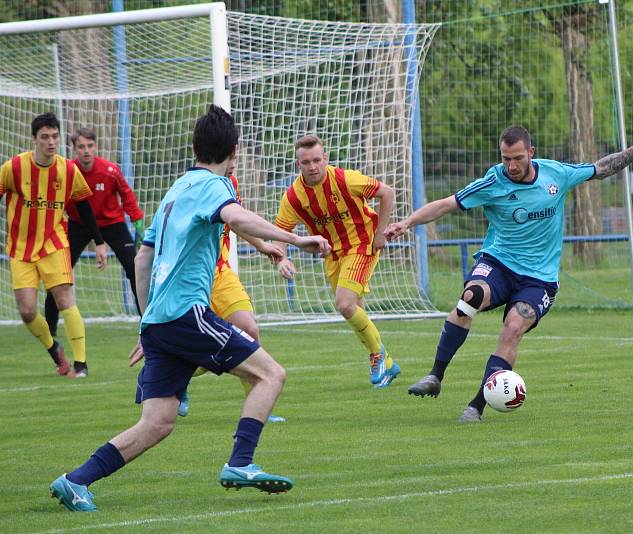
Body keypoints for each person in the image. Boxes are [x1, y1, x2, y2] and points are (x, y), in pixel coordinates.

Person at [50, 105, 330, 512]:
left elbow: (142, 260)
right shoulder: (215, 187)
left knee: (157, 422)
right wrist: (298, 239)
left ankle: (75, 480)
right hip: (187, 313)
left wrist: (148, 322)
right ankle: (241, 462)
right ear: (233, 152)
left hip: (160, 321)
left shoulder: (175, 190)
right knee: (271, 374)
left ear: (195, 147)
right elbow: (235, 217)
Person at [385, 125, 633, 422]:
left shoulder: (555, 174)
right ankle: (435, 376)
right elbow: (446, 205)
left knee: (513, 328)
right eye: (506, 158)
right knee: (471, 295)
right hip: (499, 263)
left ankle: (476, 406)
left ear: (531, 152)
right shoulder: (494, 181)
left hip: (539, 279)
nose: (511, 165)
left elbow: (601, 168)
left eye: (517, 158)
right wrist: (407, 223)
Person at [272, 135, 399, 388]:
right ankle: (388, 363)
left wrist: (379, 235)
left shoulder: (345, 179)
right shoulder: (294, 197)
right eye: (306, 162)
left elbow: (387, 192)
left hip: (362, 244)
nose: (312, 166)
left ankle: (377, 355)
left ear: (325, 159)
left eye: (317, 160)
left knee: (344, 303)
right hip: (332, 254)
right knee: (355, 310)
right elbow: (280, 231)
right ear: (298, 164)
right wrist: (281, 259)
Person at [0, 112, 108, 378]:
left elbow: (83, 205)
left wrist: (100, 241)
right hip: (21, 249)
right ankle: (53, 347)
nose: (51, 142)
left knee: (64, 299)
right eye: (45, 137)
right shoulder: (14, 167)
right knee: (26, 312)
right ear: (34, 139)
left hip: (54, 244)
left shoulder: (68, 169)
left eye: (55, 137)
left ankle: (81, 364)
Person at [178, 173, 286, 423]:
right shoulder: (192, 186)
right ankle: (178, 376)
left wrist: (261, 245)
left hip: (221, 272)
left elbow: (236, 222)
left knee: (249, 330)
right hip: (194, 275)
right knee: (205, 340)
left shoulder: (231, 183)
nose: (234, 160)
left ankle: (256, 406)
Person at [43, 127, 145, 377]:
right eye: (81, 147)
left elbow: (127, 195)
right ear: (74, 150)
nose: (86, 151)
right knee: (57, 279)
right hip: (78, 225)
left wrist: (138, 221)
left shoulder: (109, 170)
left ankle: (147, 323)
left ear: (95, 147)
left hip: (112, 224)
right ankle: (50, 332)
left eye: (90, 146)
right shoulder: (68, 172)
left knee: (136, 269)